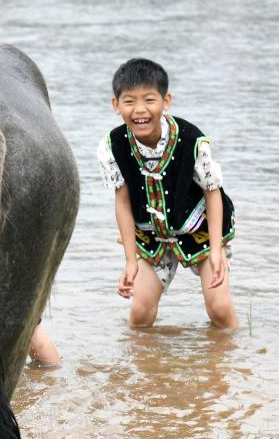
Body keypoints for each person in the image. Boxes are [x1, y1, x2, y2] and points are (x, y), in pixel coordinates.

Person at [98, 58, 238, 328]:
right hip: (152, 235)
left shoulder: (192, 140)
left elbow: (212, 192)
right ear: (116, 105)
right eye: (129, 101)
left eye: (149, 100)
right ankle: (145, 357)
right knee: (140, 314)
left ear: (166, 101)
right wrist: (130, 260)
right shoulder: (111, 147)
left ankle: (234, 351)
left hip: (199, 229)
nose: (140, 110)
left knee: (219, 309)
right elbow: (122, 202)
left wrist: (216, 250)